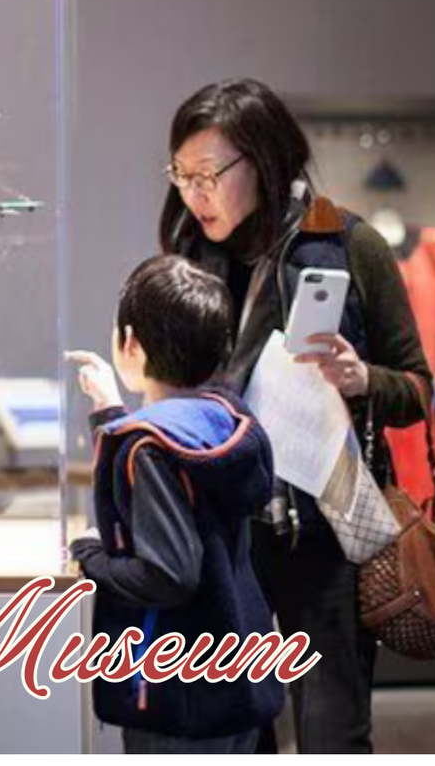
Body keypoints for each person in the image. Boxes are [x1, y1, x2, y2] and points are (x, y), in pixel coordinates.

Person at [155, 78, 433, 753]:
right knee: (234, 733)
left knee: (332, 732)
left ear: (265, 160)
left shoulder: (348, 245)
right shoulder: (190, 260)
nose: (194, 193)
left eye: (209, 174)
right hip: (224, 537)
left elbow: (418, 387)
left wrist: (360, 377)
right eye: (181, 174)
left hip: (323, 537)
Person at [66, 254, 282, 755]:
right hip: (235, 679)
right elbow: (173, 462)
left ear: (131, 344)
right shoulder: (227, 420)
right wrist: (110, 412)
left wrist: (93, 559)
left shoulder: (148, 448)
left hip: (177, 695)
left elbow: (169, 574)